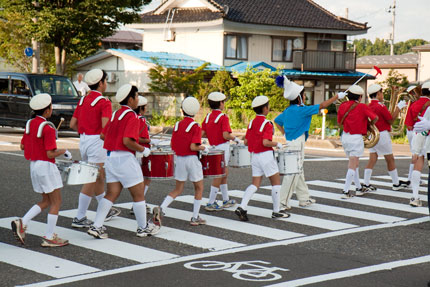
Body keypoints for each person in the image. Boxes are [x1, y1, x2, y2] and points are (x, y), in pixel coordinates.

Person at [87, 84, 160, 239]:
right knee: (139, 193)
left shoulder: (115, 114)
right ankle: (143, 228)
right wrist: (143, 149)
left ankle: (96, 226)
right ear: (131, 99)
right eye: (137, 96)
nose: (138, 99)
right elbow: (128, 141)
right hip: (125, 158)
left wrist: (117, 141)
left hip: (111, 158)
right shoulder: (132, 116)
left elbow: (102, 135)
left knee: (111, 193)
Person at [274, 76, 344, 210]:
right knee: (294, 172)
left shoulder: (288, 110)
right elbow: (322, 106)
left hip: (290, 142)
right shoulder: (302, 110)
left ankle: (304, 198)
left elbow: (277, 121)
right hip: (297, 144)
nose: (305, 97)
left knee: (298, 171)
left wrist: (284, 133)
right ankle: (282, 202)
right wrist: (336, 97)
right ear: (298, 97)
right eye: (303, 95)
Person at [11, 93, 71, 247]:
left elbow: (22, 146)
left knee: (46, 200)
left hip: (34, 166)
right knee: (56, 202)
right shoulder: (48, 128)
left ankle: (22, 222)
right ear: (47, 111)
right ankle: (50, 236)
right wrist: (63, 151)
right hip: (46, 166)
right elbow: (50, 153)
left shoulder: (30, 124)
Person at [69, 69, 120, 229]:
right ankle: (80, 216)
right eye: (105, 81)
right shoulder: (104, 102)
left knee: (98, 176)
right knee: (91, 177)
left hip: (84, 140)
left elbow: (72, 124)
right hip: (97, 141)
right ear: (101, 83)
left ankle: (106, 208)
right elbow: (106, 126)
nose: (106, 83)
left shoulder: (83, 100)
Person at [235, 95, 289, 221]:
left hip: (254, 156)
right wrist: (277, 144)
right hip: (266, 156)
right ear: (265, 108)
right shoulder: (267, 123)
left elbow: (246, 142)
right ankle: (276, 211)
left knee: (255, 184)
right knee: (276, 183)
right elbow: (266, 142)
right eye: (268, 105)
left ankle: (242, 206)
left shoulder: (252, 122)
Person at [159, 97, 208, 226]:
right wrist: (203, 147)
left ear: (182, 110)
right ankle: (195, 217)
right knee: (199, 188)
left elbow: (172, 144)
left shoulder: (177, 125)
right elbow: (193, 146)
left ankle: (162, 208)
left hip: (179, 159)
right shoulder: (196, 126)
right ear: (196, 111)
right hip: (192, 159)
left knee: (178, 188)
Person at [362, 84, 409, 192]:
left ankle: (366, 183)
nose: (382, 95)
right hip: (382, 134)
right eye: (381, 93)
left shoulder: (368, 106)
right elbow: (391, 120)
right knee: (390, 159)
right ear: (378, 94)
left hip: (372, 135)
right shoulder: (380, 106)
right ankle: (396, 183)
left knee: (372, 159)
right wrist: (398, 108)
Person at [337, 85, 378, 199]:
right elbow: (375, 118)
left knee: (354, 163)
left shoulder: (342, 106)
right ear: (360, 97)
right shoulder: (362, 107)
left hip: (345, 136)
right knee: (353, 165)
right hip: (356, 138)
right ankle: (346, 191)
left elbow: (339, 121)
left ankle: (359, 187)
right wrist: (369, 125)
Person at [201, 92, 240, 211]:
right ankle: (211, 202)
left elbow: (202, 133)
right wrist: (236, 139)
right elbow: (226, 135)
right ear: (220, 103)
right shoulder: (223, 117)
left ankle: (225, 199)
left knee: (224, 173)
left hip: (213, 147)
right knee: (220, 174)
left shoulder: (207, 117)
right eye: (223, 102)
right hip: (223, 148)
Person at [130, 96, 160, 215]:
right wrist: (150, 141)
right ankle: (137, 203)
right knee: (145, 178)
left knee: (143, 179)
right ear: (141, 108)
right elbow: (139, 138)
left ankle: (138, 202)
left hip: (135, 152)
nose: (146, 108)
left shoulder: (133, 118)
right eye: (145, 106)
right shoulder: (141, 120)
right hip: (141, 153)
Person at [404, 81, 430, 207]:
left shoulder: (413, 104)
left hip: (417, 134)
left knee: (417, 162)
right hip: (428, 137)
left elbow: (408, 123)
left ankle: (415, 196)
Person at [404, 85, 420, 186]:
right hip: (416, 131)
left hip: (410, 130)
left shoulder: (410, 104)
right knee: (417, 155)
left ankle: (413, 177)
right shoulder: (416, 104)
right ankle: (411, 178)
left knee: (415, 155)